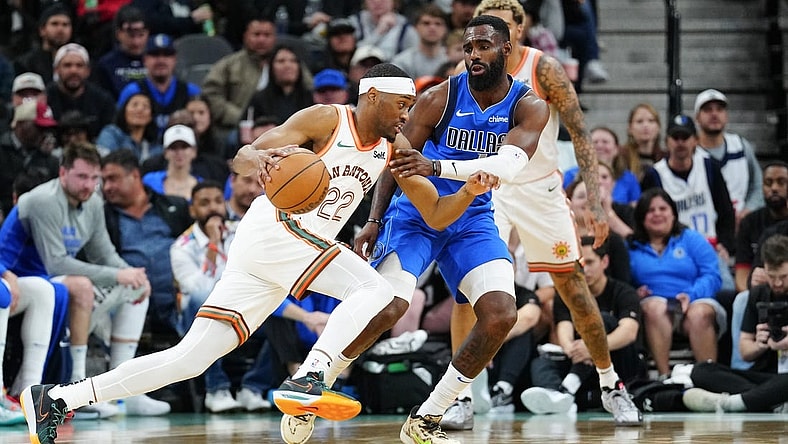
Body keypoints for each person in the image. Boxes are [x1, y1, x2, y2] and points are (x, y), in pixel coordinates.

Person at [20, 64, 499, 444]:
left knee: (190, 358)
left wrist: (470, 190)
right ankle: (310, 378)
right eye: (402, 103)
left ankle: (58, 398)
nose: (407, 113)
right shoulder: (327, 119)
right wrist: (260, 161)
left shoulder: (393, 146)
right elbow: (244, 154)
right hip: (277, 231)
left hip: (281, 252)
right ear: (372, 95)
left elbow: (434, 213)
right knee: (376, 288)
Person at [353, 14, 636, 444]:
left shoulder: (543, 72)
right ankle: (458, 396)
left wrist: (594, 200)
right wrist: (377, 215)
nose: (473, 53)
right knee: (472, 294)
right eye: (468, 46)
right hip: (482, 194)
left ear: (513, 36)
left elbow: (578, 134)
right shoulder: (455, 84)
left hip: (535, 187)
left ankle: (609, 381)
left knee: (573, 287)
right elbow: (401, 151)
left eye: (485, 42)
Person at [9, 143, 164, 418]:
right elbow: (55, 262)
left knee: (137, 286)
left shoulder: (93, 201)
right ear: (62, 173)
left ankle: (124, 390)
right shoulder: (43, 200)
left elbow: (102, 252)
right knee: (82, 287)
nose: (89, 185)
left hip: (51, 281)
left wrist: (133, 274)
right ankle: (78, 390)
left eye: (95, 178)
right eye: (82, 177)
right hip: (23, 276)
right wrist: (118, 275)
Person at [170, 181, 271, 413]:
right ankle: (217, 389)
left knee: (280, 310)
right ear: (192, 210)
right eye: (204, 203)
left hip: (240, 310)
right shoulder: (181, 247)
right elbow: (200, 289)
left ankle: (253, 388)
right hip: (194, 317)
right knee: (200, 298)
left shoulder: (241, 233)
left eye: (218, 201)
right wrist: (213, 246)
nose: (213, 208)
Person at [521, 236, 641, 414]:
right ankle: (559, 397)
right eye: (580, 264)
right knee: (541, 361)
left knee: (600, 320)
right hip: (583, 364)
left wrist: (593, 348)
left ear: (605, 261)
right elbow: (564, 327)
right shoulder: (566, 294)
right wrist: (570, 348)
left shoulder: (624, 292)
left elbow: (629, 332)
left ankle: (567, 389)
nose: (585, 269)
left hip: (620, 363)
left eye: (590, 262)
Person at [682, 234, 788, 413]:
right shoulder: (758, 294)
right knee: (701, 370)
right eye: (772, 276)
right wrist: (760, 345)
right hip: (764, 375)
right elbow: (745, 351)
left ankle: (734, 403)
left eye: (784, 277)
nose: (777, 283)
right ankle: (768, 400)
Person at [627, 188, 725, 379]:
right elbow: (622, 280)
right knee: (655, 307)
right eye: (650, 210)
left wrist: (691, 294)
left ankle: (710, 379)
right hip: (652, 306)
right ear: (641, 217)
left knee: (699, 314)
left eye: (663, 208)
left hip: (694, 300)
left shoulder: (692, 238)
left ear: (673, 213)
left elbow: (712, 275)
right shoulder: (630, 246)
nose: (657, 214)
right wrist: (634, 292)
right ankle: (666, 379)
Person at [642, 114, 736, 291]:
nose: (680, 143)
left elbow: (726, 211)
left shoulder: (709, 166)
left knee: (727, 289)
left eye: (685, 137)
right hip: (671, 249)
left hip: (709, 246)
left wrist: (725, 244)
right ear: (667, 141)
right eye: (675, 138)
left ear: (695, 140)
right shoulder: (654, 175)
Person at [694, 89, 764, 226]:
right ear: (697, 117)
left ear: (726, 115)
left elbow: (757, 185)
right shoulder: (691, 152)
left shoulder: (741, 146)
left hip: (741, 225)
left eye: (719, 109)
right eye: (708, 110)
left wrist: (747, 211)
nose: (714, 114)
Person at [201, 15, 278, 135]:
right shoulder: (229, 64)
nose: (261, 40)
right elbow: (211, 93)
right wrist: (238, 117)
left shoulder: (287, 63)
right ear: (245, 36)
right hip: (235, 128)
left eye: (267, 35)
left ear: (274, 38)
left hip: (280, 128)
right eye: (256, 34)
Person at [117, 34, 201, 141]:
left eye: (167, 55)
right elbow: (120, 128)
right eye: (155, 55)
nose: (161, 60)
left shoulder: (191, 91)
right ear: (145, 59)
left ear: (175, 59)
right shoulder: (132, 92)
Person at [45, 43, 116, 141]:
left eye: (79, 65)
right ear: (56, 70)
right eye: (67, 65)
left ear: (88, 71)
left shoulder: (103, 100)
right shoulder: (45, 98)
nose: (73, 70)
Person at [0, 101, 59, 217]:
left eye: (46, 129)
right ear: (21, 123)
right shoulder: (1, 152)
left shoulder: (50, 160)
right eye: (39, 127)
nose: (43, 133)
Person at [562, 127, 641, 206]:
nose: (599, 146)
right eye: (595, 142)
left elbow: (634, 209)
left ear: (616, 149)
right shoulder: (570, 175)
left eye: (605, 142)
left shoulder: (629, 178)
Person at [246, 45, 314, 125]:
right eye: (281, 61)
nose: (288, 66)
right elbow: (245, 126)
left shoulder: (311, 98)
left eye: (293, 61)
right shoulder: (259, 99)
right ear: (271, 67)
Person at [93, 5, 149, 99]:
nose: (136, 42)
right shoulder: (106, 65)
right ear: (118, 34)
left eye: (141, 35)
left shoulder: (157, 61)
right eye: (131, 36)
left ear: (148, 33)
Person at [13, 4, 72, 83]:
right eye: (54, 24)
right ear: (42, 30)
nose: (60, 29)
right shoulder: (26, 64)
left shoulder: (80, 63)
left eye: (65, 24)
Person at [142, 124, 201, 201]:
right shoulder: (149, 181)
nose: (179, 152)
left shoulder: (201, 187)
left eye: (184, 147)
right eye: (173, 147)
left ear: (194, 151)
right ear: (165, 152)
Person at [96, 92, 160, 162]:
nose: (140, 109)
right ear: (124, 111)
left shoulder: (154, 145)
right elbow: (105, 161)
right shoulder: (111, 133)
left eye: (145, 106)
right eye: (134, 105)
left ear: (151, 116)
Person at [390, 4, 449, 79]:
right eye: (426, 23)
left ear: (445, 29)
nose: (432, 27)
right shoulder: (402, 62)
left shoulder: (452, 59)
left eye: (438, 24)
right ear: (416, 27)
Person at [351, 0, 419, 61]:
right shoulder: (355, 22)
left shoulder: (406, 28)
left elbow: (412, 59)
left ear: (394, 2)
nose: (377, 2)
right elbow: (351, 56)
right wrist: (378, 32)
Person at [622, 102, 663, 182]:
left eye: (651, 121)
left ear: (658, 127)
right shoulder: (622, 157)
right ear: (630, 128)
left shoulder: (664, 158)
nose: (645, 125)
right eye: (639, 121)